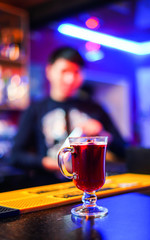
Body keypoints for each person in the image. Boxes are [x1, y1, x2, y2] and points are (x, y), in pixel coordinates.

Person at [10, 46, 126, 186]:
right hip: (49, 187)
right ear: (49, 71)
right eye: (64, 71)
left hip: (90, 185)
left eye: (76, 72)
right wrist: (54, 163)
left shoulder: (95, 108)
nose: (70, 79)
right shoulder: (35, 109)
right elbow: (15, 156)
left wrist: (101, 133)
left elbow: (124, 150)